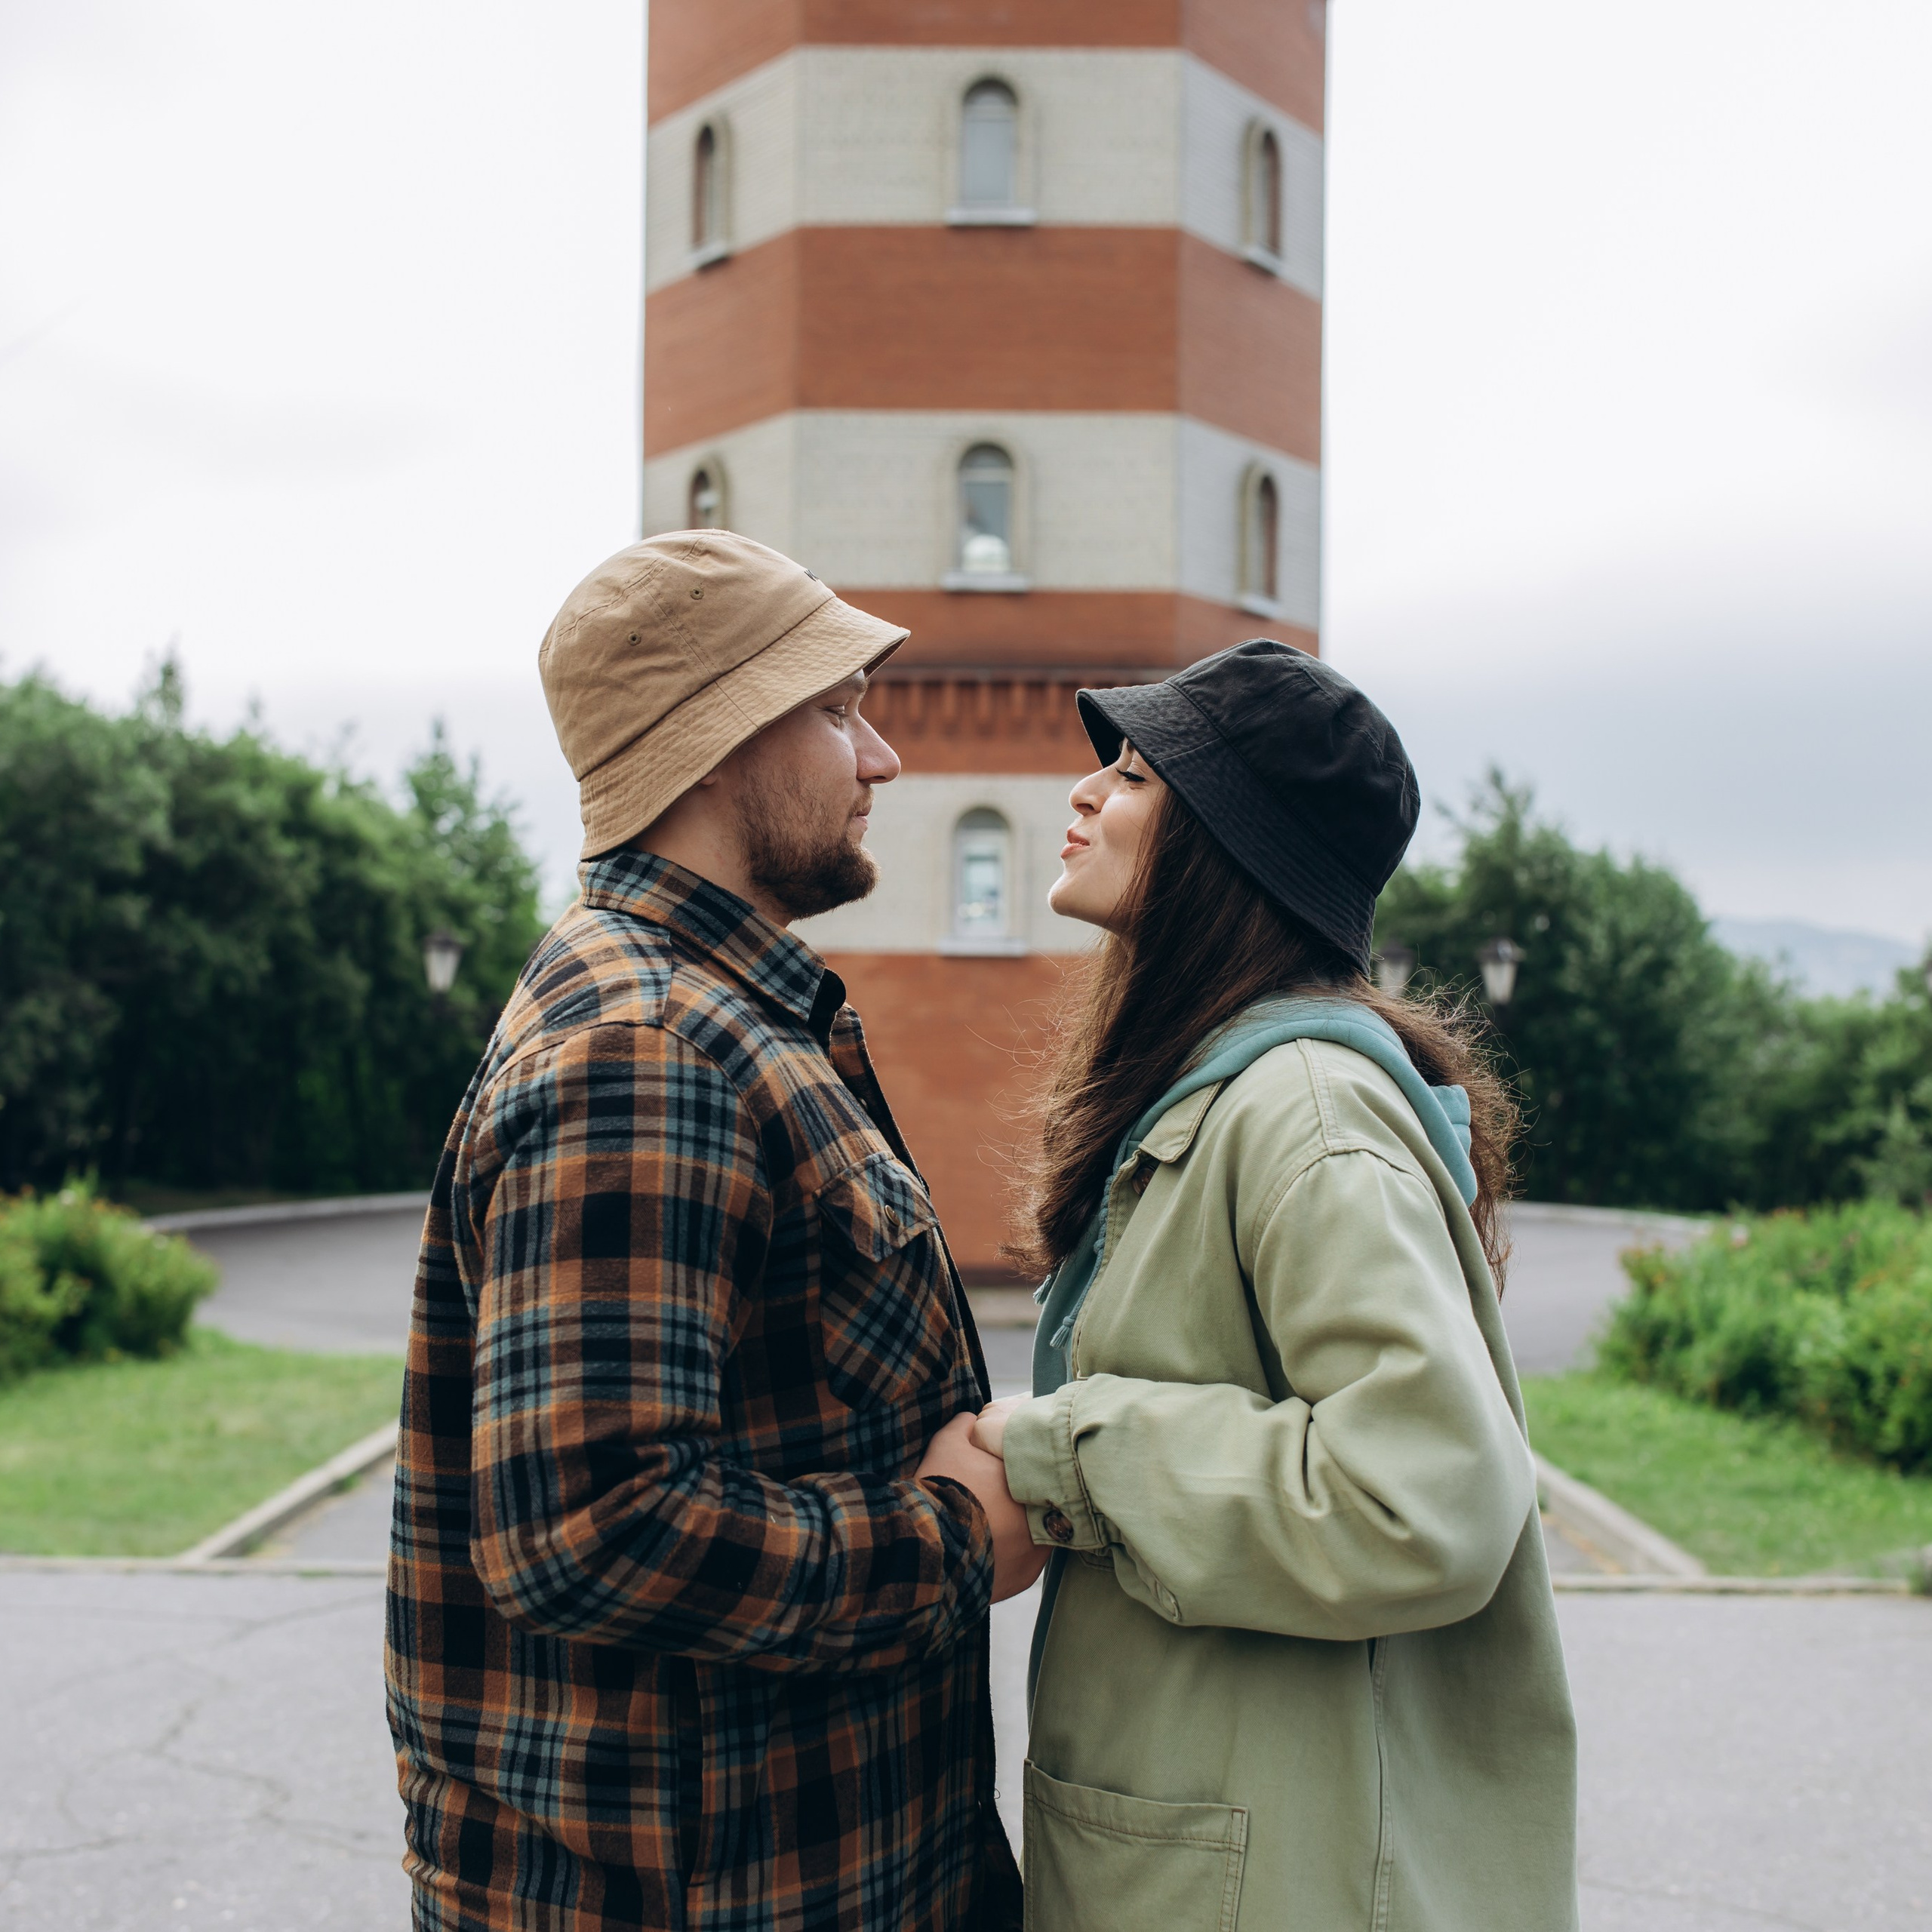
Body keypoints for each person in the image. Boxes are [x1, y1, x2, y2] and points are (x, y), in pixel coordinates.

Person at [386, 531, 1038, 1932]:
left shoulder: (719, 1015)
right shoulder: (648, 1049)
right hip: (703, 1894)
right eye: (837, 708)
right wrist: (955, 1543)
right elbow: (590, 1528)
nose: (882, 760)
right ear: (719, 738)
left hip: (807, 1865)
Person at [970, 641, 1579, 1932]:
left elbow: (1421, 1498)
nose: (1083, 793)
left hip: (1269, 1877)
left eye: (1133, 778)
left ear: (1225, 847)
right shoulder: (1230, 1090)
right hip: (1218, 1839)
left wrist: (1062, 1453)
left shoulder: (1303, 1113)